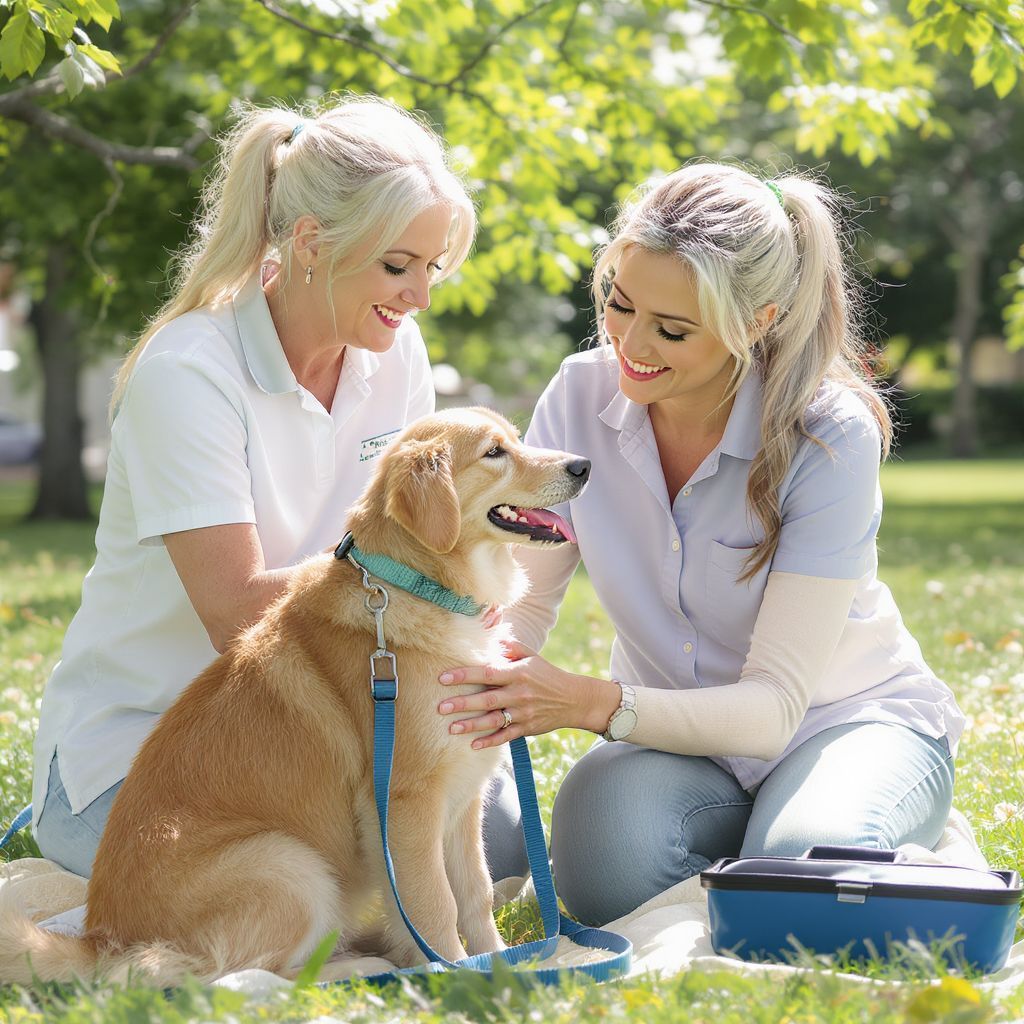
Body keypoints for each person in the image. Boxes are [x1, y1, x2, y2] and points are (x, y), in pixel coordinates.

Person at [436, 163, 964, 926]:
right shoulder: (580, 394)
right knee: (601, 863)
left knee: (798, 877)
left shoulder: (828, 432)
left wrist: (588, 702)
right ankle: (773, 840)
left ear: (756, 321)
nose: (630, 344)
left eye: (672, 329)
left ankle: (838, 823)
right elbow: (518, 605)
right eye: (620, 304)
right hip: (677, 746)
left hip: (840, 721)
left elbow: (773, 709)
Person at [30, 96, 528, 893]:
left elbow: (423, 540)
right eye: (397, 266)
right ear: (309, 243)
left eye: (432, 268)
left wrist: (459, 607)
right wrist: (424, 593)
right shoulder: (188, 373)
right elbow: (236, 613)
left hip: (331, 728)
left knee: (493, 835)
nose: (419, 297)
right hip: (148, 759)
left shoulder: (394, 351)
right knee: (318, 896)